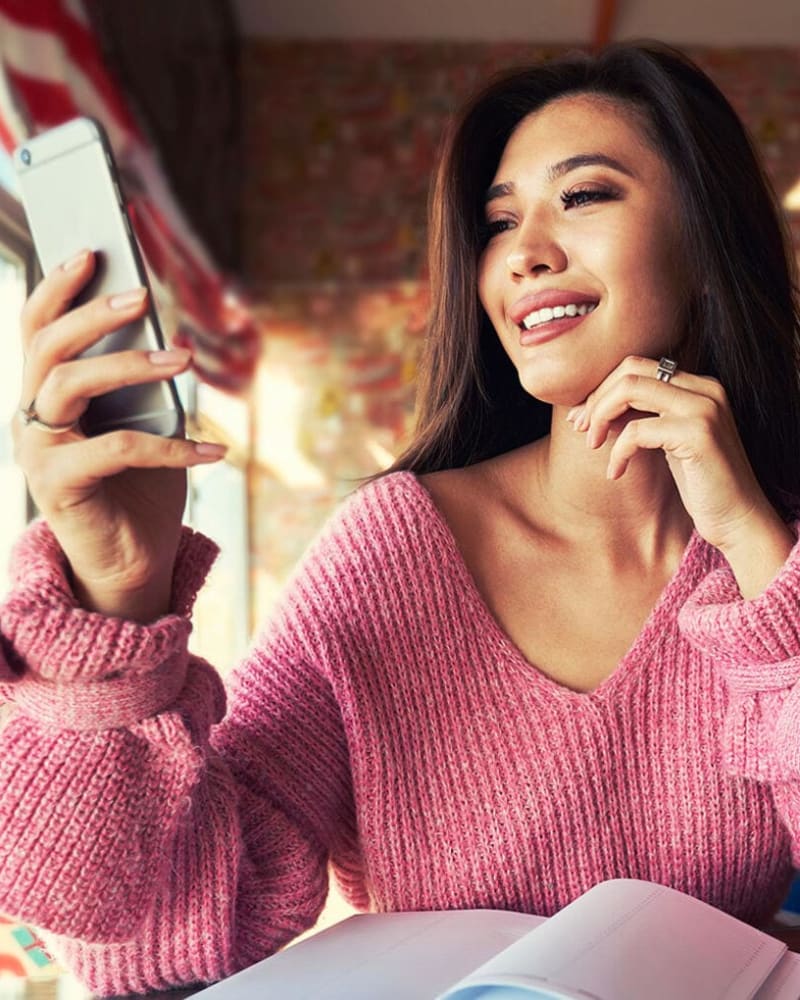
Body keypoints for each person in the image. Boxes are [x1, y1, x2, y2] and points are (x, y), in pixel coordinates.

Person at [2, 39, 800, 996]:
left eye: (583, 197)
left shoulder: (774, 552)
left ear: (708, 247)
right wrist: (117, 593)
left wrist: (761, 551)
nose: (525, 254)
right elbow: (141, 946)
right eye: (498, 223)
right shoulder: (395, 550)